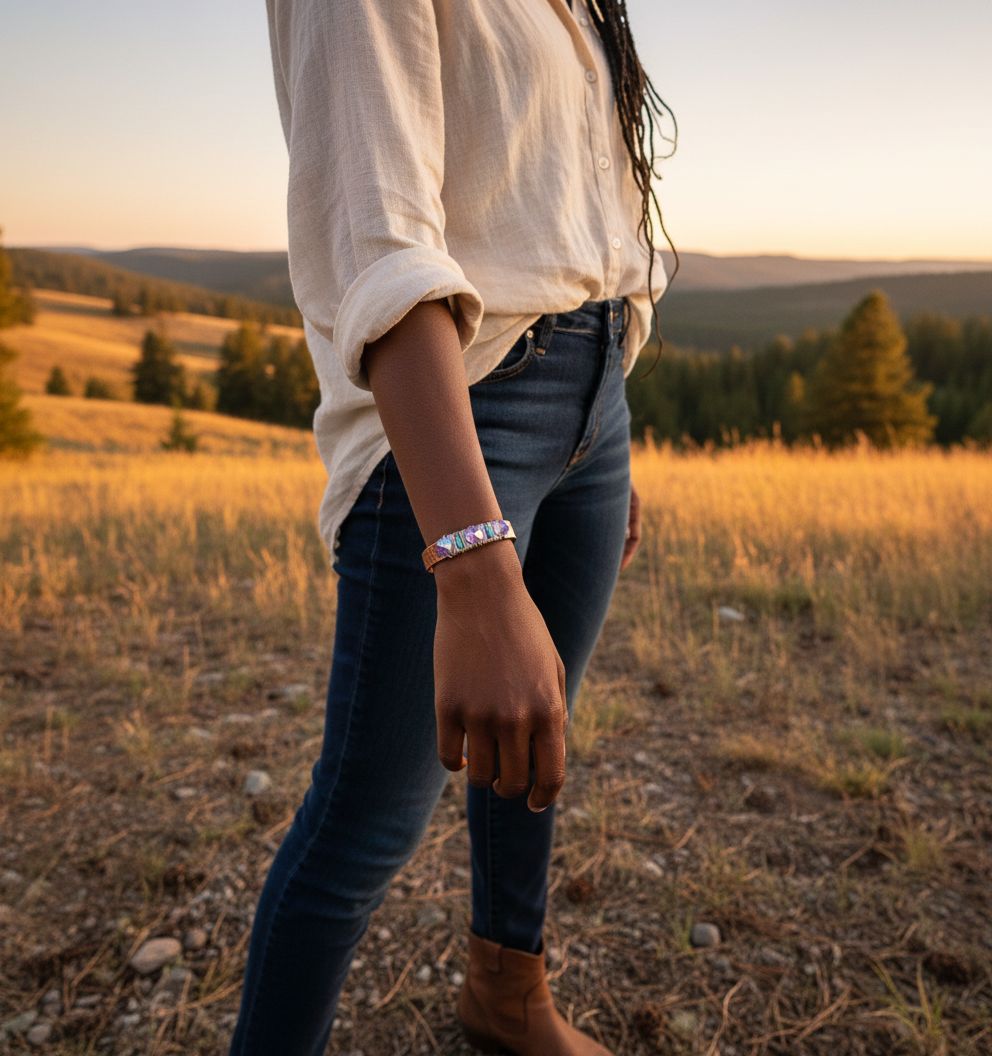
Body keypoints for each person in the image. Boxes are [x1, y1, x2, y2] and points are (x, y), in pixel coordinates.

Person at [229, 1, 677, 1053]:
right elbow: (377, 246)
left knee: (532, 740)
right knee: (364, 823)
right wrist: (473, 562)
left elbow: (569, 220)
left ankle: (506, 998)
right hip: (458, 409)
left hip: (589, 400)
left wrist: (596, 434)